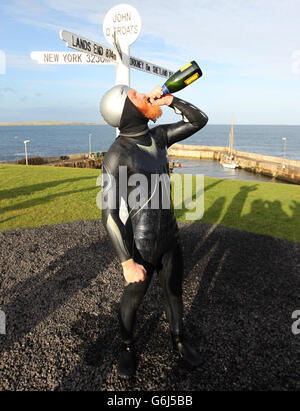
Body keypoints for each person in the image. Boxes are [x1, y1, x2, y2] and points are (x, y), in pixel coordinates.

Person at [100, 84, 208, 378]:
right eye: (136, 95)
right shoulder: (116, 155)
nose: (145, 94)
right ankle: (126, 345)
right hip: (143, 245)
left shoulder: (158, 137)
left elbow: (199, 120)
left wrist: (173, 100)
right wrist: (126, 262)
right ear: (126, 112)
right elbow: (109, 215)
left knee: (174, 292)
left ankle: (178, 338)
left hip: (170, 237)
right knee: (134, 298)